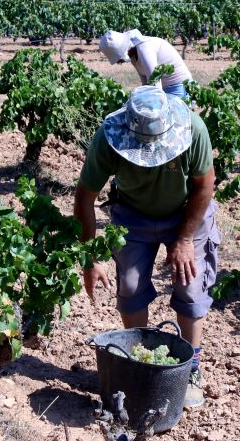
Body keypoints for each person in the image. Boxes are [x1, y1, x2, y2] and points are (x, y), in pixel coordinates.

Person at [75, 85, 220, 408]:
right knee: (129, 285)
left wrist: (183, 239)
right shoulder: (108, 138)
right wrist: (90, 258)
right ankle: (138, 364)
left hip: (187, 212)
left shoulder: (193, 129)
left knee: (189, 284)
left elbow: (204, 186)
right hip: (133, 215)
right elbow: (84, 197)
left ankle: (191, 368)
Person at [99, 29, 193, 99]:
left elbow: (155, 86)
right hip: (165, 88)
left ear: (124, 51)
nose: (120, 62)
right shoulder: (133, 55)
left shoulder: (144, 49)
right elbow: (146, 84)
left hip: (179, 87)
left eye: (119, 59)